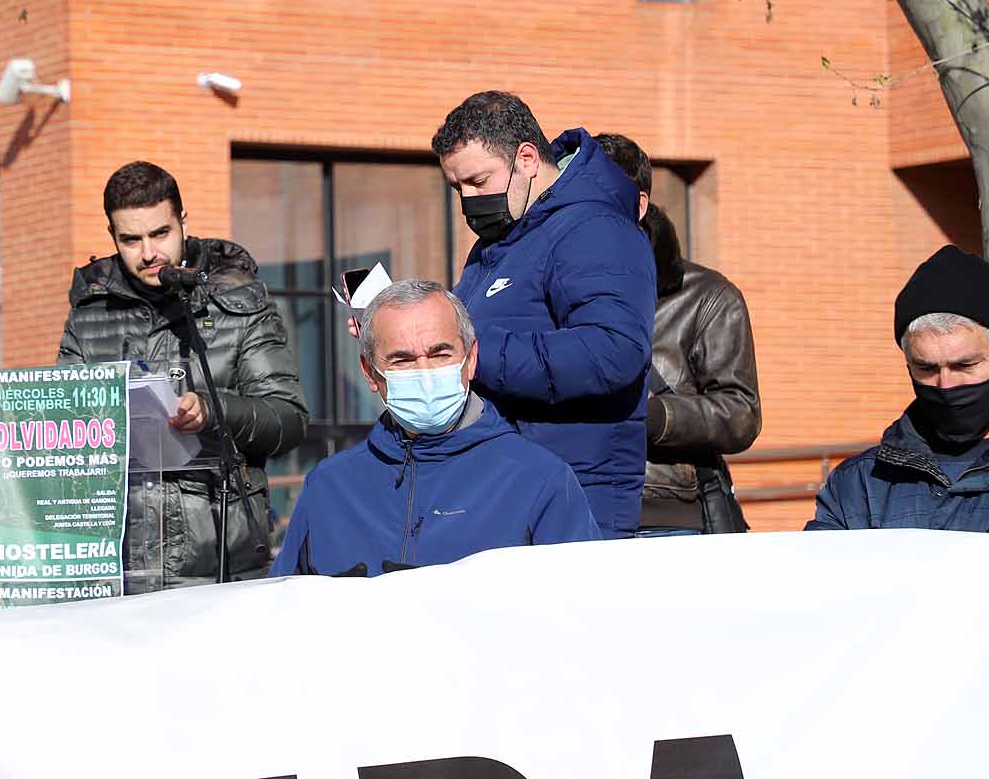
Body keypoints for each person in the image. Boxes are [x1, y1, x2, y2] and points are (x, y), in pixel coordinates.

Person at [57, 160, 308, 587]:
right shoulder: (89, 316)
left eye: (160, 233)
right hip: (120, 567)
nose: (149, 253)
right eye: (130, 240)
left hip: (221, 564)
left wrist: (215, 410)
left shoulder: (239, 301)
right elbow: (64, 429)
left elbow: (289, 420)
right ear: (112, 237)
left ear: (183, 223)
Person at [433, 92, 655, 538]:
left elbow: (613, 352)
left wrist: (468, 351)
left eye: (478, 180)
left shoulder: (593, 228)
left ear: (528, 160)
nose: (468, 200)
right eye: (458, 187)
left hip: (574, 502)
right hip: (500, 487)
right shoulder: (499, 242)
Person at [271, 280, 599, 577]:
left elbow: (579, 613)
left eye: (440, 353)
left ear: (470, 359)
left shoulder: (539, 479)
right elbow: (284, 613)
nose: (424, 372)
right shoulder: (329, 486)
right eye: (402, 360)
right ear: (370, 373)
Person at [594, 133, 761, 535]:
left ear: (638, 205)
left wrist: (655, 416)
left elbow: (741, 414)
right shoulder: (545, 289)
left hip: (668, 518)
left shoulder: (707, 297)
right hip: (568, 511)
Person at [807, 246, 989, 531]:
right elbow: (821, 571)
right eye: (927, 368)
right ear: (908, 364)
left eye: (965, 365)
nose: (946, 384)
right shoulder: (861, 484)